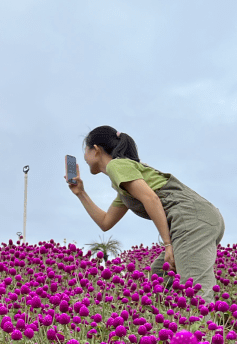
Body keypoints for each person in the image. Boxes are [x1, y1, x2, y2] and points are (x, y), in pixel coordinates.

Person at [66, 126, 224, 301]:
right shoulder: (125, 183)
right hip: (198, 219)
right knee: (159, 276)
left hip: (193, 220)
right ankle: (175, 325)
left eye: (85, 151)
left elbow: (151, 199)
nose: (84, 158)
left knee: (195, 292)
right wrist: (81, 193)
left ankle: (203, 327)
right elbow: (105, 222)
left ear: (96, 150)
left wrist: (167, 245)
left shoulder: (116, 165)